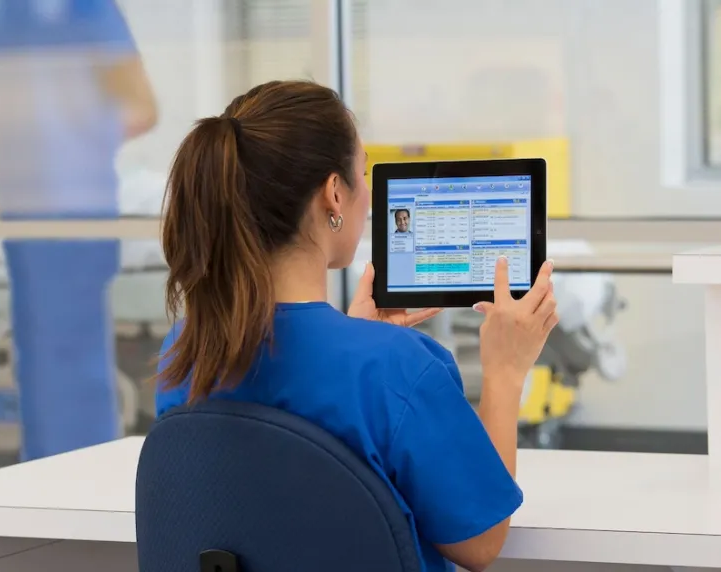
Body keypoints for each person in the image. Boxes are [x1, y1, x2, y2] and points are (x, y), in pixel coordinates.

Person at [155, 80, 558, 572]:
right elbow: (480, 543)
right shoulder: (397, 365)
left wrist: (354, 337)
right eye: (363, 174)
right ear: (333, 194)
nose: (367, 194)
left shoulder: (186, 351)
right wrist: (506, 372)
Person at [0, 0, 157, 461]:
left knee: (69, 359)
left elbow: (141, 108)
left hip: (75, 209)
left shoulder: (88, 14)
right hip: (33, 210)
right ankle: (55, 476)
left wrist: (66, 136)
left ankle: (79, 473)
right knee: (41, 362)